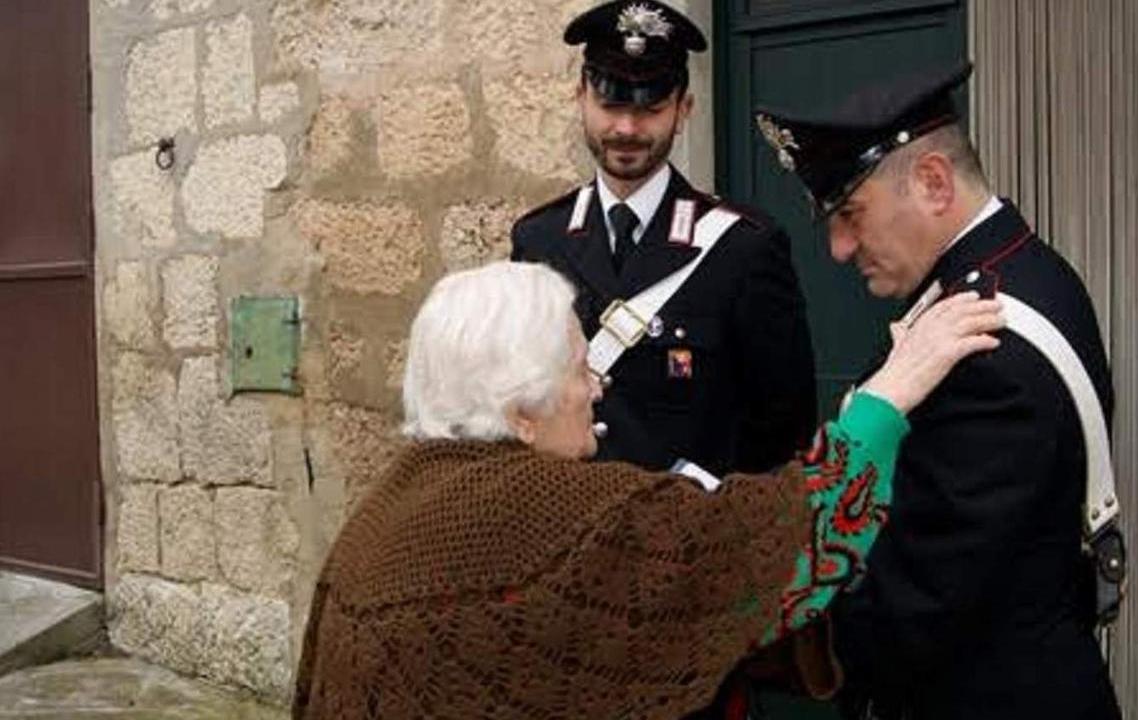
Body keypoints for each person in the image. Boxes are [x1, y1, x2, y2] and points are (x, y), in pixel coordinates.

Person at [292, 261, 1003, 720]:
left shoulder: (384, 507)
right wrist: (889, 395)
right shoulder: (565, 512)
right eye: (577, 370)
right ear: (521, 415)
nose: (597, 386)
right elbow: (785, 543)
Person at [756, 61, 1122, 719]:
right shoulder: (1010, 277)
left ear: (931, 181)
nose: (838, 248)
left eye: (851, 213)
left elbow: (921, 599)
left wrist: (765, 631)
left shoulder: (986, 341)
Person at [511, 0, 816, 477]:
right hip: (571, 528)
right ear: (580, 98)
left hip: (689, 538)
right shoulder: (539, 240)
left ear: (684, 109)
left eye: (650, 108)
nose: (627, 129)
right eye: (611, 104)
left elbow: (782, 429)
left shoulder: (743, 248)